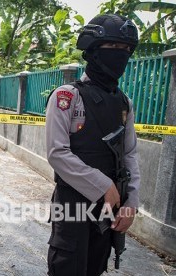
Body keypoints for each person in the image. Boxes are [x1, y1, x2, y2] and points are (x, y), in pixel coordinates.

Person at [45, 14, 141, 276]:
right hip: (74, 204)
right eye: (113, 48)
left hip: (109, 207)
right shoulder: (68, 97)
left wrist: (131, 202)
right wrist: (103, 185)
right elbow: (57, 153)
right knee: (68, 266)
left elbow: (129, 154)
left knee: (96, 266)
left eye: (125, 50)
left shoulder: (124, 103)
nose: (120, 56)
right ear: (94, 52)